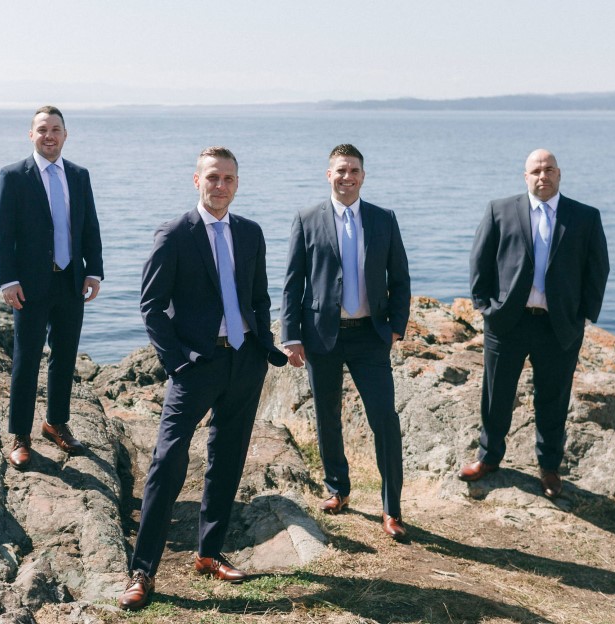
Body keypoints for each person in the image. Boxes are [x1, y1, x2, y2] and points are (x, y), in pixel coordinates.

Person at [119, 146, 288, 612]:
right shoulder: (175, 234)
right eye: (213, 177)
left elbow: (259, 296)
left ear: (237, 183)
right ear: (197, 181)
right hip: (195, 365)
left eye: (229, 179)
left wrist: (262, 343)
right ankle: (142, 570)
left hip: (245, 361)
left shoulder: (251, 233)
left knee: (228, 456)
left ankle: (209, 553)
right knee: (168, 460)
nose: (221, 186)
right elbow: (152, 307)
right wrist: (176, 362)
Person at [457, 148, 609, 498]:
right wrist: (485, 308)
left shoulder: (584, 217)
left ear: (559, 174)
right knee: (496, 395)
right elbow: (479, 260)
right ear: (525, 176)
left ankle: (549, 468)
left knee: (553, 399)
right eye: (536, 171)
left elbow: (597, 269)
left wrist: (582, 315)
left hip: (559, 326)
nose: (543, 176)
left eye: (549, 170)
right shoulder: (500, 210)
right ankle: (489, 456)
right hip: (507, 322)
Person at [280, 144, 411, 539]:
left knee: (384, 419)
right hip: (322, 335)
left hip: (371, 335)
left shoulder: (383, 219)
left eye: (353, 170)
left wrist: (397, 326)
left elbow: (400, 277)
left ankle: (392, 509)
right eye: (340, 170)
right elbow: (292, 283)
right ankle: (338, 489)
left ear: (363, 176)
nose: (347, 176)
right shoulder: (306, 219)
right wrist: (291, 337)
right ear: (328, 174)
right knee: (327, 417)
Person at [0, 106, 103, 470]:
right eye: (42, 130)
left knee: (65, 355)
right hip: (29, 285)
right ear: (31, 135)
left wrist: (94, 271)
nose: (49, 136)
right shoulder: (13, 176)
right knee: (26, 359)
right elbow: (1, 233)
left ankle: (56, 423)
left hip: (71, 280)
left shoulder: (79, 175)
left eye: (56, 129)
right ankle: (20, 435)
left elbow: (89, 227)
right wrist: (7, 280)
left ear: (65, 135)